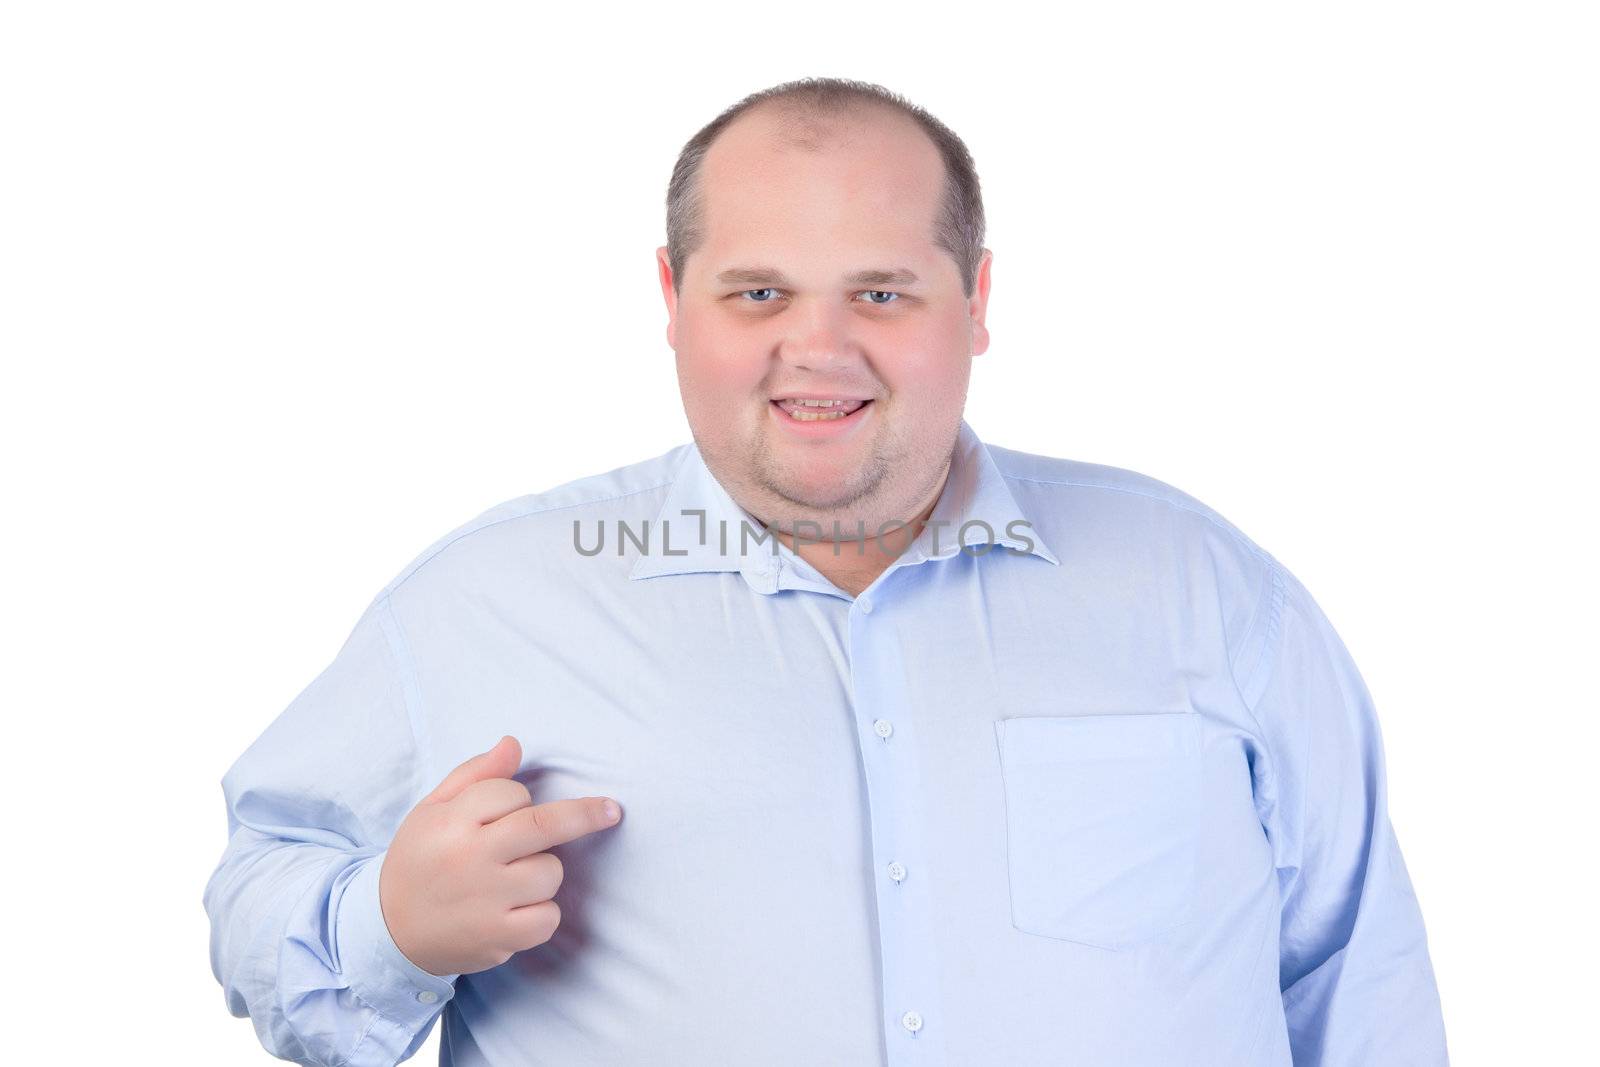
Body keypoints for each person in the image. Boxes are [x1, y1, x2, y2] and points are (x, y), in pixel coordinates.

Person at [204, 76, 1449, 1066]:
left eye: (881, 290)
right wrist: (391, 926)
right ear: (672, 299)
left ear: (976, 299)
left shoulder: (1206, 590)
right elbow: (258, 899)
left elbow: (1356, 980)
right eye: (757, 291)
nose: (820, 347)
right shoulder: (483, 605)